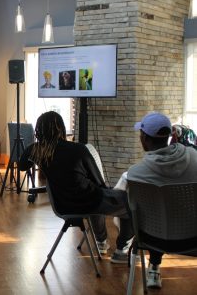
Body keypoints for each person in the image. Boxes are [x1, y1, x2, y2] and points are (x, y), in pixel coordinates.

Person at [19, 111, 133, 262]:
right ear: (61, 128)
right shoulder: (78, 149)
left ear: (39, 131)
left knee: (96, 198)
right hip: (88, 201)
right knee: (130, 203)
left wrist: (32, 148)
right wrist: (109, 192)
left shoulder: (37, 150)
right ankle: (121, 252)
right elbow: (98, 182)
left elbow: (22, 165)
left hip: (62, 206)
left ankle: (101, 243)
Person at [120, 112, 197, 289]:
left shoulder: (136, 174)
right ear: (172, 136)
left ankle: (149, 263)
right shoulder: (194, 158)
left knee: (145, 213)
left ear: (144, 139)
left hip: (152, 239)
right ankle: (153, 267)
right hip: (192, 238)